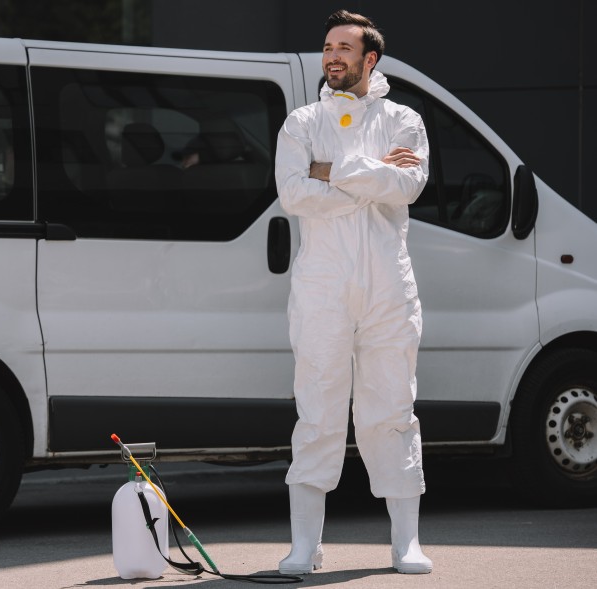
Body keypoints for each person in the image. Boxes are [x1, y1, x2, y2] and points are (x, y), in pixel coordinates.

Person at [274, 9, 432, 575]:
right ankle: (304, 547)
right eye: (326, 47)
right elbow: (293, 194)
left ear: (370, 59)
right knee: (317, 407)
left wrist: (331, 171)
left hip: (389, 284)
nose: (331, 56)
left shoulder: (404, 119)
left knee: (392, 406)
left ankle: (405, 544)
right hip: (322, 286)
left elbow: (407, 185)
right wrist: (368, 176)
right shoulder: (301, 122)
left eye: (344, 47)